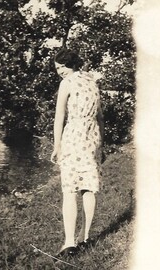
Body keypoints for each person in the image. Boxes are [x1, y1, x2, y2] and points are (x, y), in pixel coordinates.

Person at [50, 48, 104, 257]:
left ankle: (69, 243)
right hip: (93, 137)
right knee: (88, 188)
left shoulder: (67, 82)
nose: (59, 72)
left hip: (74, 135)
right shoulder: (92, 81)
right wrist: (102, 143)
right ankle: (85, 237)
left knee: (70, 190)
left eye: (60, 67)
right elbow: (100, 117)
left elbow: (59, 116)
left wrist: (57, 145)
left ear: (68, 65)